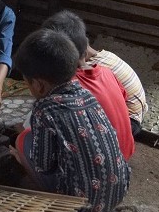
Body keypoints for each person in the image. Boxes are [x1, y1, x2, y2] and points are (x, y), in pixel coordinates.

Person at [12, 28, 130, 212]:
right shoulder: (87, 95)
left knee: (23, 141)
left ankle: (59, 210)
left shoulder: (44, 109)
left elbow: (43, 165)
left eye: (27, 83)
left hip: (79, 208)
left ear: (39, 85)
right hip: (117, 194)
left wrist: (21, 158)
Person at [42, 10, 134, 160]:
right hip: (125, 152)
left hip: (102, 161)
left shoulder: (66, 87)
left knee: (24, 141)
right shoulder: (106, 72)